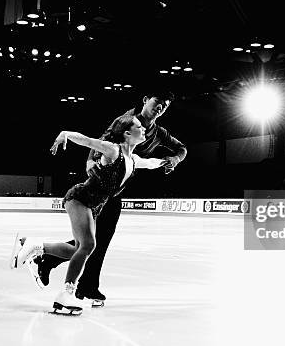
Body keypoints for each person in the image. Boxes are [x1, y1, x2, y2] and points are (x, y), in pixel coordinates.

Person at [24, 89, 187, 307]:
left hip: (114, 190)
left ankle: (52, 263)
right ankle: (74, 282)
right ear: (146, 100)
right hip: (97, 189)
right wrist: (90, 162)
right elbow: (100, 141)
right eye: (158, 102)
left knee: (93, 242)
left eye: (165, 105)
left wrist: (173, 159)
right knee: (91, 243)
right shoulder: (127, 121)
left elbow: (179, 150)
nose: (161, 108)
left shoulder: (158, 132)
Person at [11, 115, 165, 314]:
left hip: (91, 205)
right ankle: (67, 293)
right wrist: (65, 133)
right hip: (80, 198)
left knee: (77, 249)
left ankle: (36, 245)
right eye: (138, 126)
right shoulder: (113, 150)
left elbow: (150, 163)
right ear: (127, 133)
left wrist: (167, 162)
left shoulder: (132, 160)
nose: (143, 128)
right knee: (89, 245)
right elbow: (87, 141)